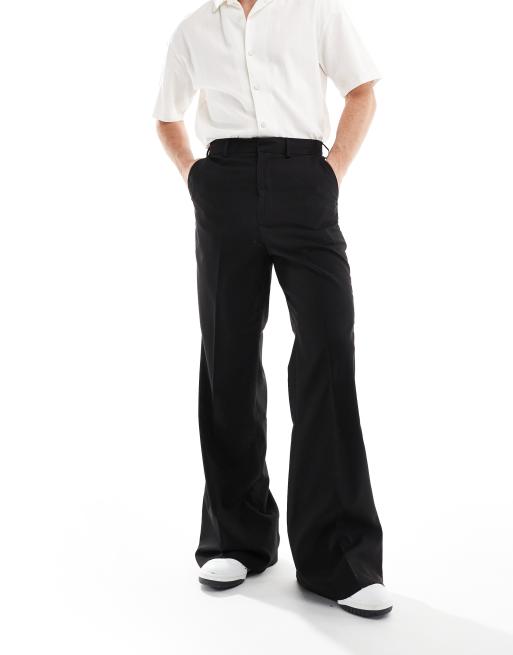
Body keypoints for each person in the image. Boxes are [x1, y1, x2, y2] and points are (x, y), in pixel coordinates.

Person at [153, 0, 392, 617]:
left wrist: (333, 170)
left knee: (328, 350)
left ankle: (340, 556)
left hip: (304, 178)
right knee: (227, 356)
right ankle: (236, 537)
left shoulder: (315, 10)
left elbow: (361, 90)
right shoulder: (193, 29)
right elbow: (166, 116)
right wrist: (195, 176)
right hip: (223, 186)